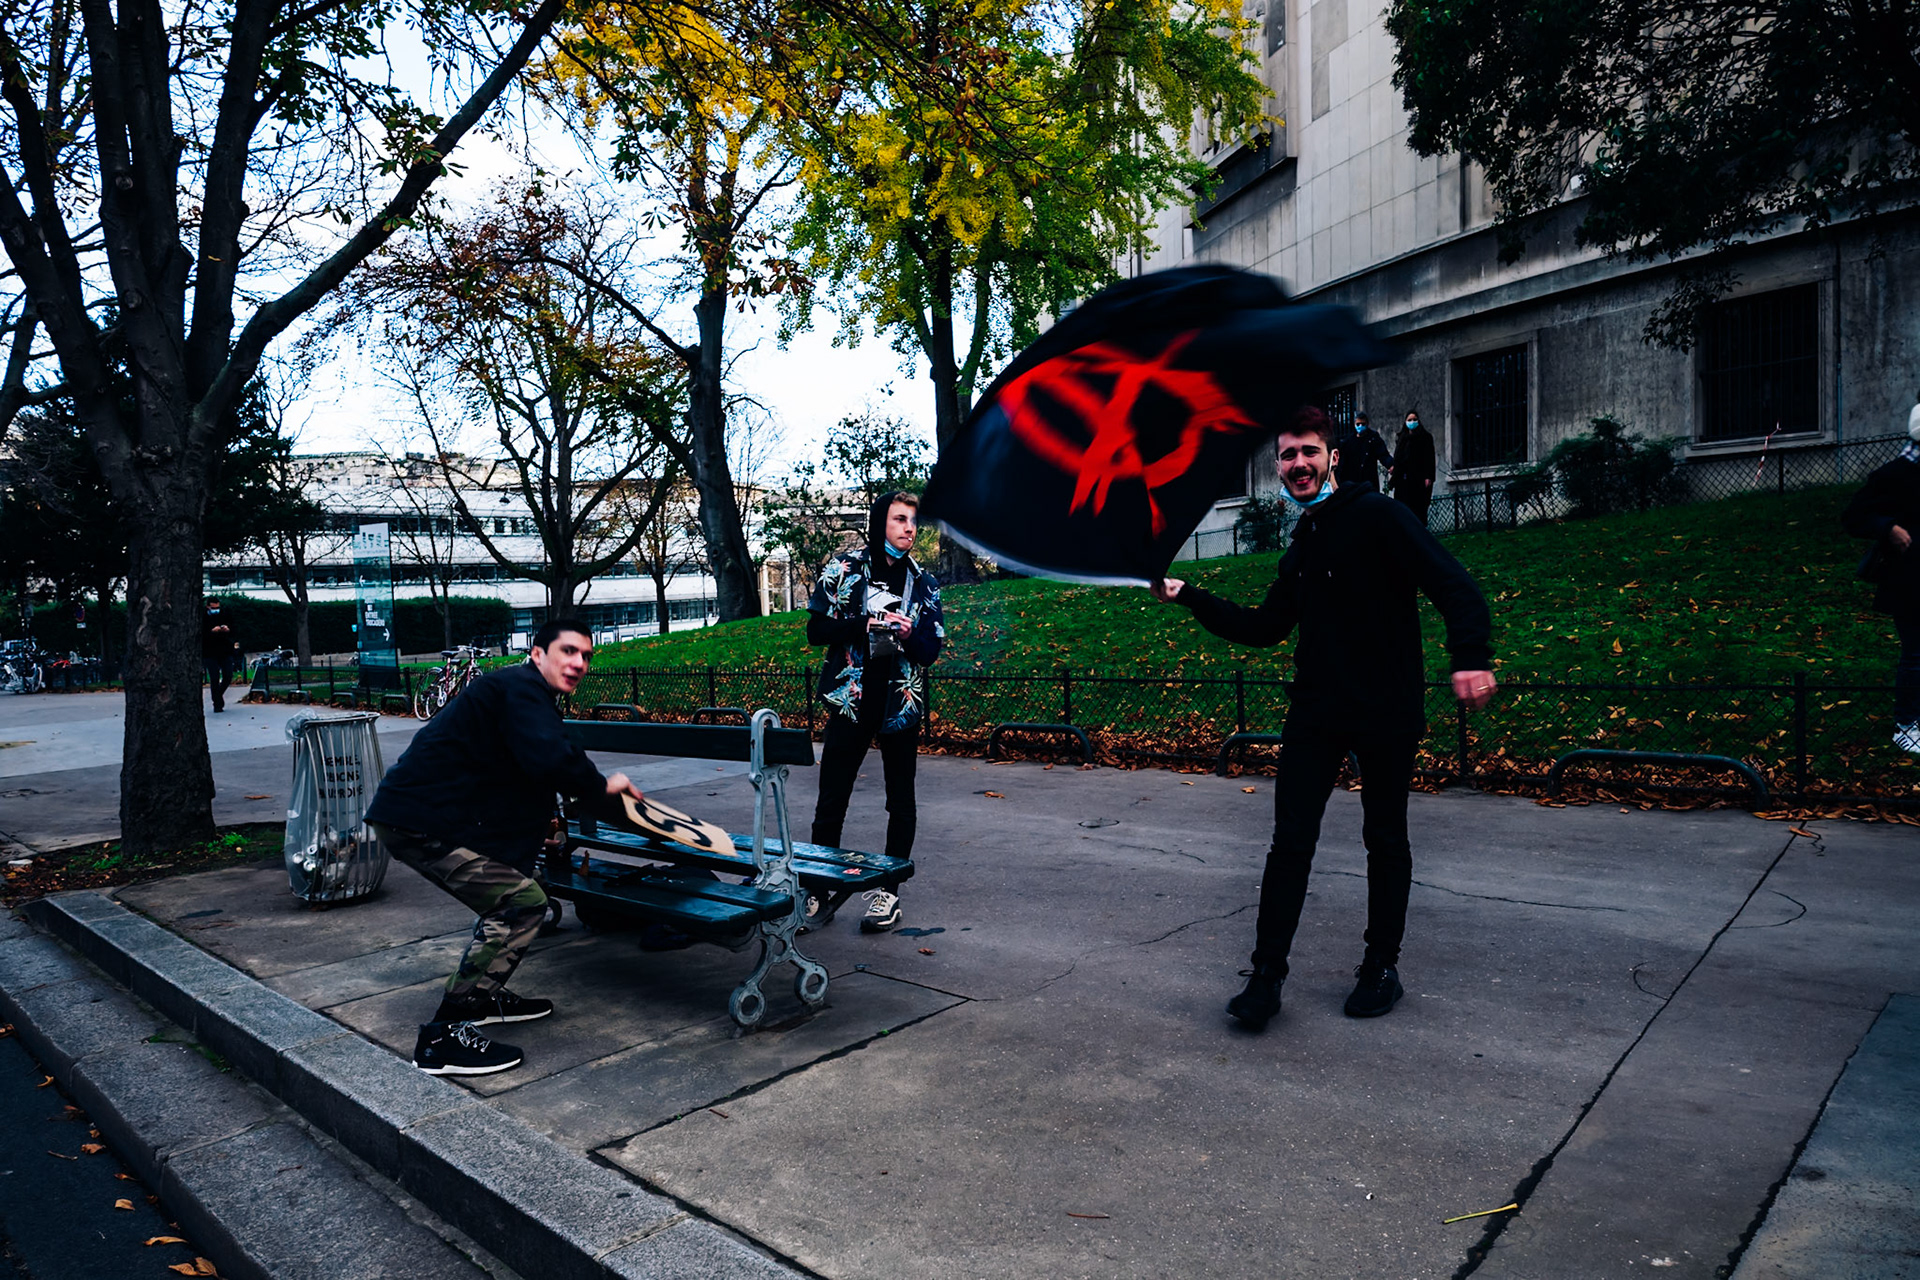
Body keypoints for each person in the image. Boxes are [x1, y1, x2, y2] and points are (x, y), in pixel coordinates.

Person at [1151, 406, 1496, 1031]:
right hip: (1316, 712)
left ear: (1331, 456)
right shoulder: (1304, 541)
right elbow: (1265, 627)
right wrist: (1188, 594)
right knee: (1290, 844)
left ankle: (1380, 969)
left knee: (1385, 839)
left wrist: (1470, 656)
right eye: (1287, 455)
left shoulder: (1380, 516)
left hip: (1386, 708)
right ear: (1278, 465)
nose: (1298, 464)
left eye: (1308, 451)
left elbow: (1455, 586)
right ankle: (1266, 977)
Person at [366, 619, 644, 1075]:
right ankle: (443, 1035)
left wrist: (549, 820)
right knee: (520, 904)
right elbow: (553, 757)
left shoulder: (521, 693)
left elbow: (526, 769)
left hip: (427, 817)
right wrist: (601, 786)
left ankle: (486, 992)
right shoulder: (522, 688)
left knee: (522, 885)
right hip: (420, 822)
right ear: (538, 655)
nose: (578, 663)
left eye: (586, 656)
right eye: (568, 652)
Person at [806, 490, 945, 932]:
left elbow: (930, 651)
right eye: (900, 519)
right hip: (851, 702)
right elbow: (815, 630)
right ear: (879, 523)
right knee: (832, 799)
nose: (909, 528)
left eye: (913, 522)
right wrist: (862, 623)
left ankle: (888, 893)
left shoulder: (924, 583)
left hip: (900, 705)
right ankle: (817, 888)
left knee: (901, 801)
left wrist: (907, 633)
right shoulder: (844, 568)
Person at [1841, 412, 1920, 753]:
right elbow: (1853, 516)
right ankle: (1907, 725)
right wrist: (1888, 528)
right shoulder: (1893, 475)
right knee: (1915, 653)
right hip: (1910, 579)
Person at [1389, 409, 1437, 523]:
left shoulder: (1425, 437)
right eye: (1409, 420)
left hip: (1418, 480)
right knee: (1403, 510)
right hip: (1402, 480)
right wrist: (1394, 469)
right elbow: (1398, 458)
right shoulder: (1402, 438)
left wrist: (1428, 476)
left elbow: (1429, 458)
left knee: (1418, 510)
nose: (1412, 422)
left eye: (1414, 419)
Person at [1334, 409, 1394, 492]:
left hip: (1368, 480)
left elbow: (1382, 454)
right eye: (1358, 424)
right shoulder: (1348, 441)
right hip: (1352, 480)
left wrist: (1390, 464)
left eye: (1363, 424)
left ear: (1367, 424)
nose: (1360, 426)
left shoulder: (1373, 439)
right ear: (1354, 424)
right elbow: (1342, 461)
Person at [201, 601, 239, 712]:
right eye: (213, 607)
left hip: (224, 650)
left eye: (218, 607)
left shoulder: (225, 615)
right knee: (214, 677)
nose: (216, 609)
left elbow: (234, 629)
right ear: (208, 607)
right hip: (209, 651)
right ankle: (217, 703)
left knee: (228, 675)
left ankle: (217, 696)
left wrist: (227, 629)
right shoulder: (203, 617)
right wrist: (211, 632)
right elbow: (201, 633)